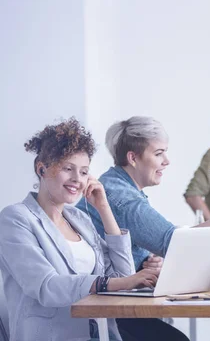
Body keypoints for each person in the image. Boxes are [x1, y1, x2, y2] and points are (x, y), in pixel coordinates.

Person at [76, 116, 210, 341]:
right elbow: (177, 243)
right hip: (106, 309)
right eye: (159, 153)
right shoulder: (123, 197)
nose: (166, 161)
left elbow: (155, 242)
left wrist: (144, 257)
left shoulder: (117, 185)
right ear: (133, 158)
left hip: (113, 299)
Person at [0, 118, 157, 341]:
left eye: (84, 172)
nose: (77, 179)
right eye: (68, 168)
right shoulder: (16, 218)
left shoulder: (79, 219)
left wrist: (104, 209)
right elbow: (46, 286)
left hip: (101, 334)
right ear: (41, 168)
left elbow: (123, 277)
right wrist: (114, 283)